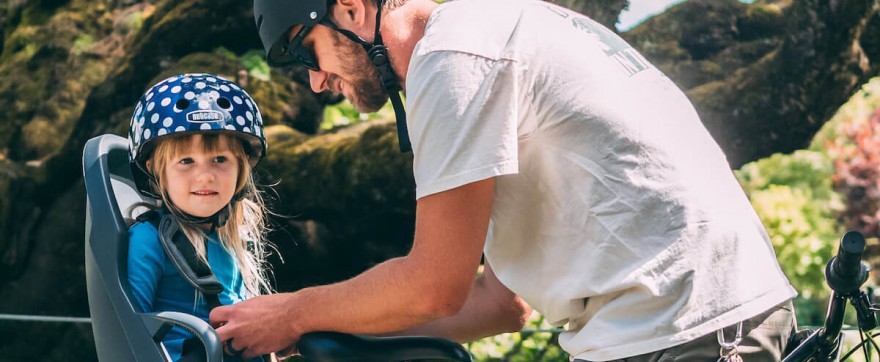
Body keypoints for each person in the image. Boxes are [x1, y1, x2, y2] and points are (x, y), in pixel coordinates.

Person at [210, 0, 798, 360]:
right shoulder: (486, 34)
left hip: (687, 333)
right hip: (684, 327)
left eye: (306, 54)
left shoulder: (454, 58)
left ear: (349, 8)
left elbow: (433, 286)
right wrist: (318, 338)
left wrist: (294, 312)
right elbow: (497, 301)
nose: (314, 82)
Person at [127, 73, 275, 362]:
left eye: (220, 159)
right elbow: (129, 330)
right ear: (156, 170)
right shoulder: (149, 240)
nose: (205, 175)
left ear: (241, 169)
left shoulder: (229, 240)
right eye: (186, 161)